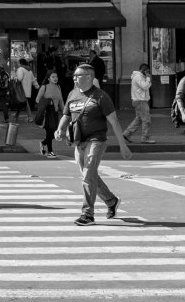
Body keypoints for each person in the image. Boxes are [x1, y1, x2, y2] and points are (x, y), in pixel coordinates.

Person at [55, 63, 132, 226]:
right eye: (74, 76)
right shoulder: (72, 94)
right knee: (89, 176)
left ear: (88, 77)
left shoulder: (101, 96)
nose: (74, 78)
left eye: (78, 75)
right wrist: (60, 129)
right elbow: (66, 115)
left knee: (88, 174)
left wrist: (123, 146)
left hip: (96, 140)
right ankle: (111, 201)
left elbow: (114, 122)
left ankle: (87, 214)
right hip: (78, 141)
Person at [122, 63, 154, 143]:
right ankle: (145, 138)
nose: (148, 73)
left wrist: (147, 79)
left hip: (139, 101)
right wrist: (148, 78)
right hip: (140, 101)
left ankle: (127, 133)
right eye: (147, 71)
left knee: (139, 119)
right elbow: (145, 86)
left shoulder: (140, 77)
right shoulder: (138, 77)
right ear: (144, 70)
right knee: (146, 120)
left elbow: (146, 86)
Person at [35, 71, 64, 157]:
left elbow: (61, 100)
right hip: (47, 112)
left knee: (54, 132)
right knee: (49, 131)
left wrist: (65, 111)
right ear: (48, 78)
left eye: (56, 77)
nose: (55, 78)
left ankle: (43, 143)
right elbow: (37, 100)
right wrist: (48, 102)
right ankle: (50, 151)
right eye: (53, 77)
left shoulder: (58, 87)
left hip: (55, 112)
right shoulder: (44, 87)